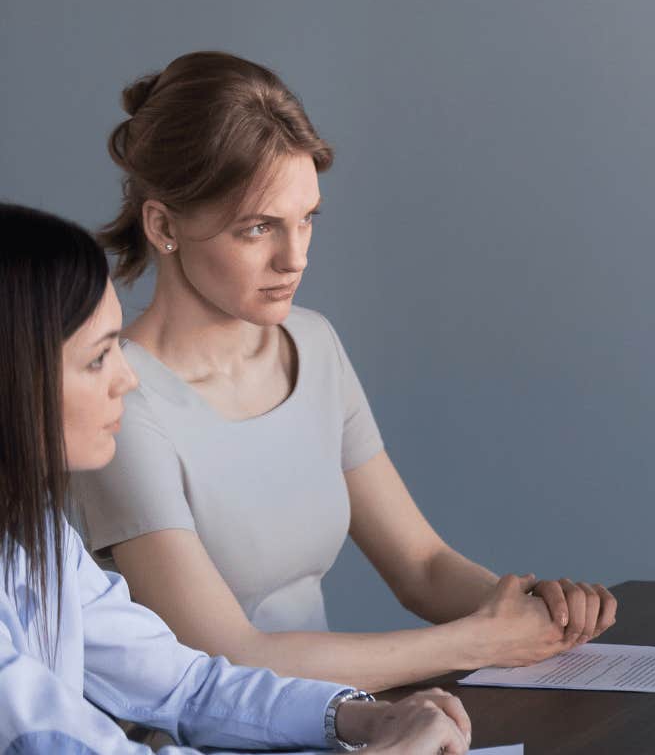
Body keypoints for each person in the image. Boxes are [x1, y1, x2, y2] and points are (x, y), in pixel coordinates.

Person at [69, 51, 617, 693]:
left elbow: (423, 567)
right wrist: (477, 640)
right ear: (163, 225)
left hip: (338, 724)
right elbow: (224, 656)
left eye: (307, 219)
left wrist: (533, 610)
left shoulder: (314, 343)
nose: (294, 257)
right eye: (257, 228)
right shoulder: (118, 400)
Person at [0, 201, 471, 753]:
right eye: (99, 358)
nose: (127, 378)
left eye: (308, 219)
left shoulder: (37, 539)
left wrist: (354, 717)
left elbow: (185, 684)